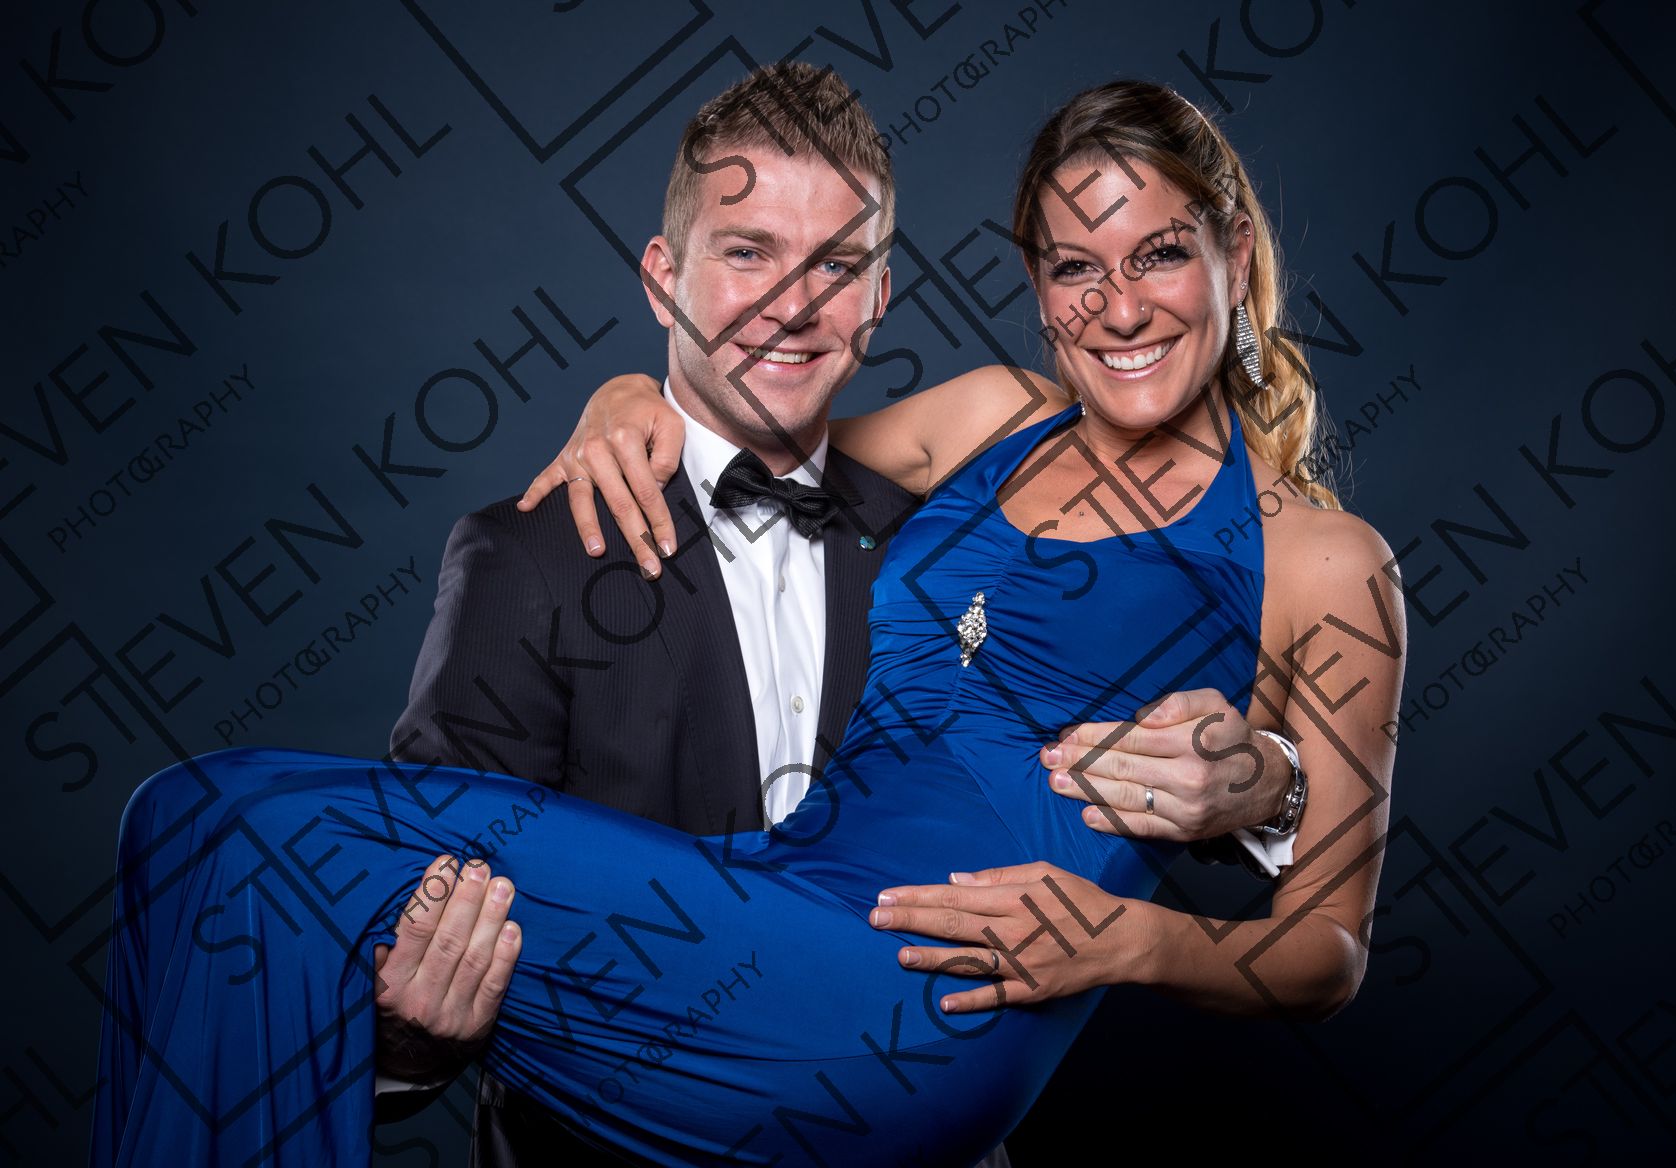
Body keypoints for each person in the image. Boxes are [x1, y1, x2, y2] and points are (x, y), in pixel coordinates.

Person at [90, 72, 1401, 1168]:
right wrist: (624, 393)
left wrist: (1145, 927)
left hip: (917, 1000)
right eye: (1075, 268)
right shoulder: (994, 417)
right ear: (1037, 282)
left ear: (1233, 253)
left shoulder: (1328, 563)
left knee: (245, 834)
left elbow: (1328, 952)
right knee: (187, 827)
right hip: (773, 893)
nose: (1117, 307)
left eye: (1160, 254)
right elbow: (758, 432)